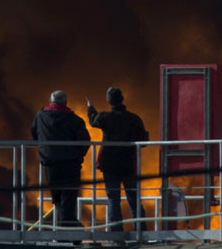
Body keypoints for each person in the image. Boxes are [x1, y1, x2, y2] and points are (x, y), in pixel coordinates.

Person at [86, 86, 149, 232]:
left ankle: (116, 236)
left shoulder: (105, 118)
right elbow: (144, 141)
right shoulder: (134, 119)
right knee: (133, 199)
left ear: (108, 101)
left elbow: (93, 120)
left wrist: (90, 107)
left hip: (110, 165)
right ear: (122, 99)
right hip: (129, 164)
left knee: (113, 199)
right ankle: (141, 232)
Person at [31, 90, 90, 227]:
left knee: (56, 196)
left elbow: (34, 134)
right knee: (69, 195)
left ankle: (63, 225)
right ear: (65, 102)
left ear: (50, 101)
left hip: (50, 162)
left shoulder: (40, 117)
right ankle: (67, 226)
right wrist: (77, 156)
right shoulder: (75, 120)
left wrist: (45, 150)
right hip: (70, 163)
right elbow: (85, 141)